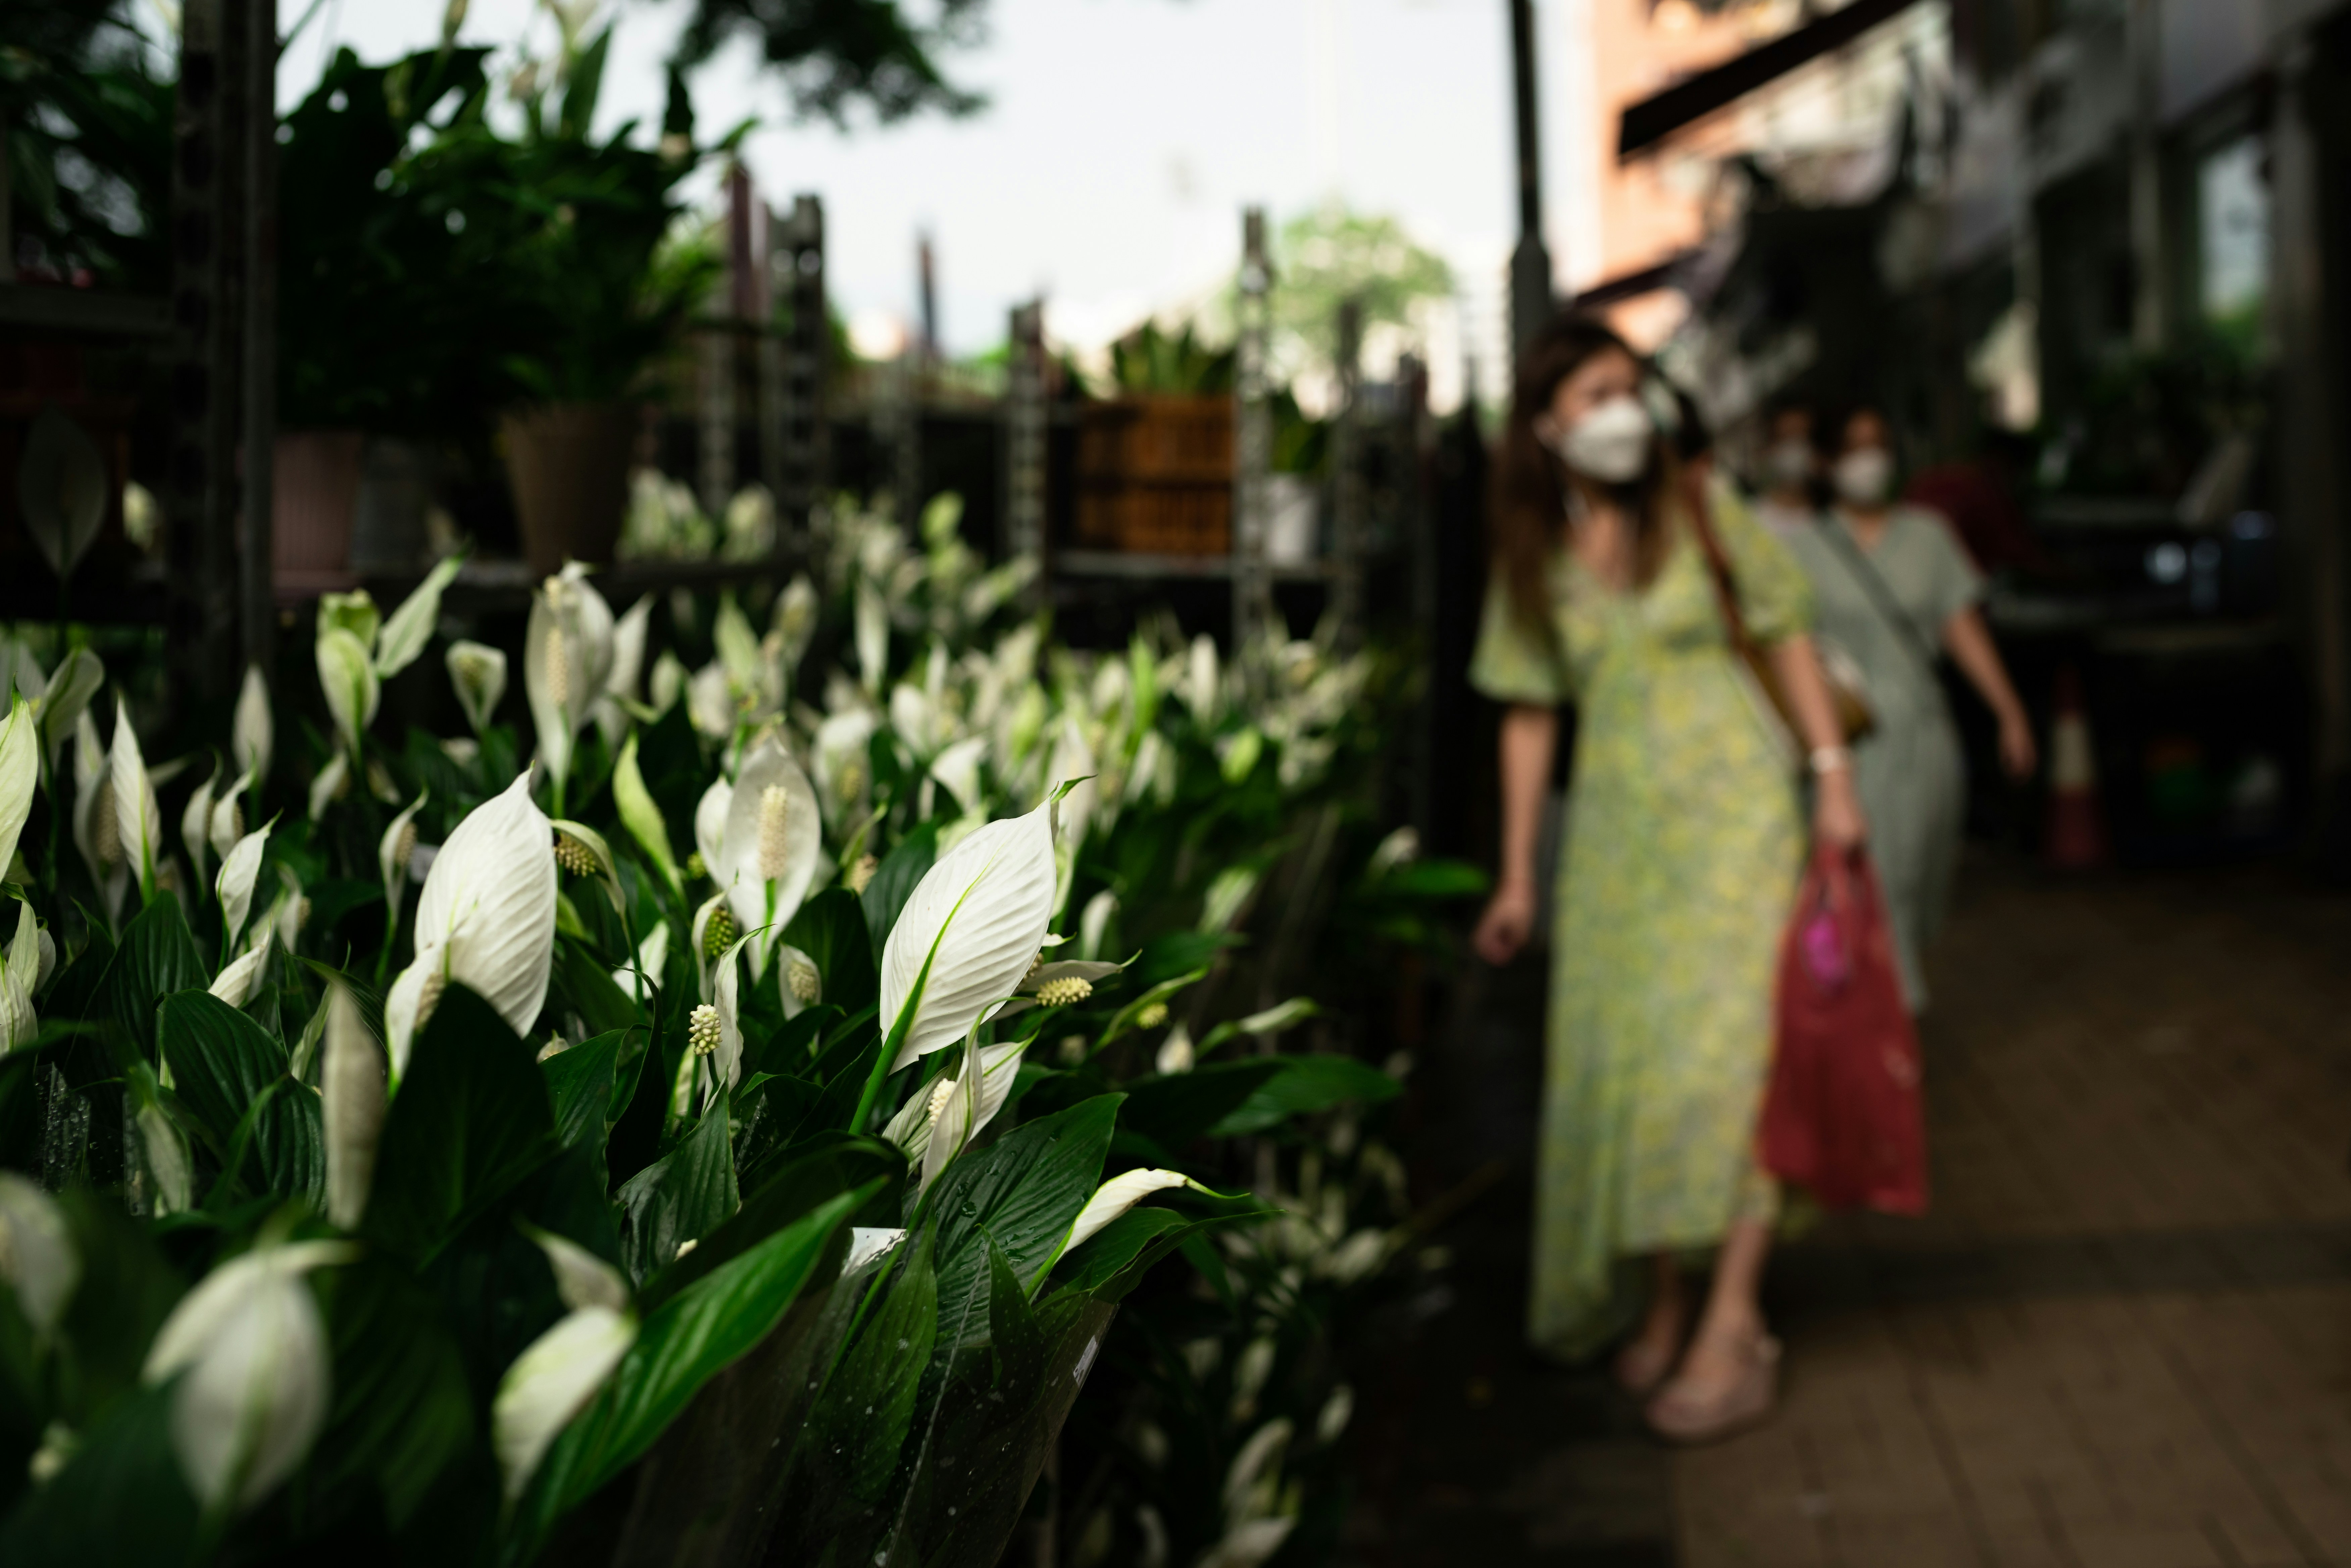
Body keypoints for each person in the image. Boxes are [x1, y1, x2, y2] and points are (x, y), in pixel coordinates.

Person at [1469, 318, 1865, 1443]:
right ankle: (1664, 1297)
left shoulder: (1700, 507)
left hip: (1739, 824)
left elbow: (1786, 632)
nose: (1622, 411)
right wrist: (1514, 877)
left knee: (1734, 1065)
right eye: (1594, 392)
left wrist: (1832, 783)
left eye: (1630, 387)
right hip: (1611, 850)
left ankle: (1733, 1321)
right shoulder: (1535, 554)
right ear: (1547, 425)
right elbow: (1526, 712)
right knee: (1641, 1075)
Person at [1784, 406, 2036, 1011]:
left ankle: (1882, 1009)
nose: (1869, 460)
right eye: (1853, 446)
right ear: (1826, 461)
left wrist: (2009, 710)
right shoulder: (1797, 548)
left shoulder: (1928, 536)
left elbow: (1961, 625)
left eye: (1879, 444)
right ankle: (1889, 1019)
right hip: (1845, 743)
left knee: (1919, 877)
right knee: (1874, 880)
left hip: (1923, 737)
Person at [1752, 402, 1822, 539]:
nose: (1794, 449)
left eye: (1801, 438)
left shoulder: (1825, 525)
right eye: (1786, 438)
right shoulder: (1751, 516)